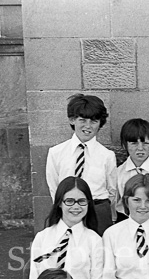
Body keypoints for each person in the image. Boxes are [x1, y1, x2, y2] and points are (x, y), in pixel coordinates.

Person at [45, 94, 117, 235]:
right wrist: (66, 208)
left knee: (99, 253)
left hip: (98, 211)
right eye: (82, 120)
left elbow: (112, 190)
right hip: (68, 209)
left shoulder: (107, 155)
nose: (87, 126)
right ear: (72, 120)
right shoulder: (56, 152)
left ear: (100, 123)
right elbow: (54, 186)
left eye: (94, 121)